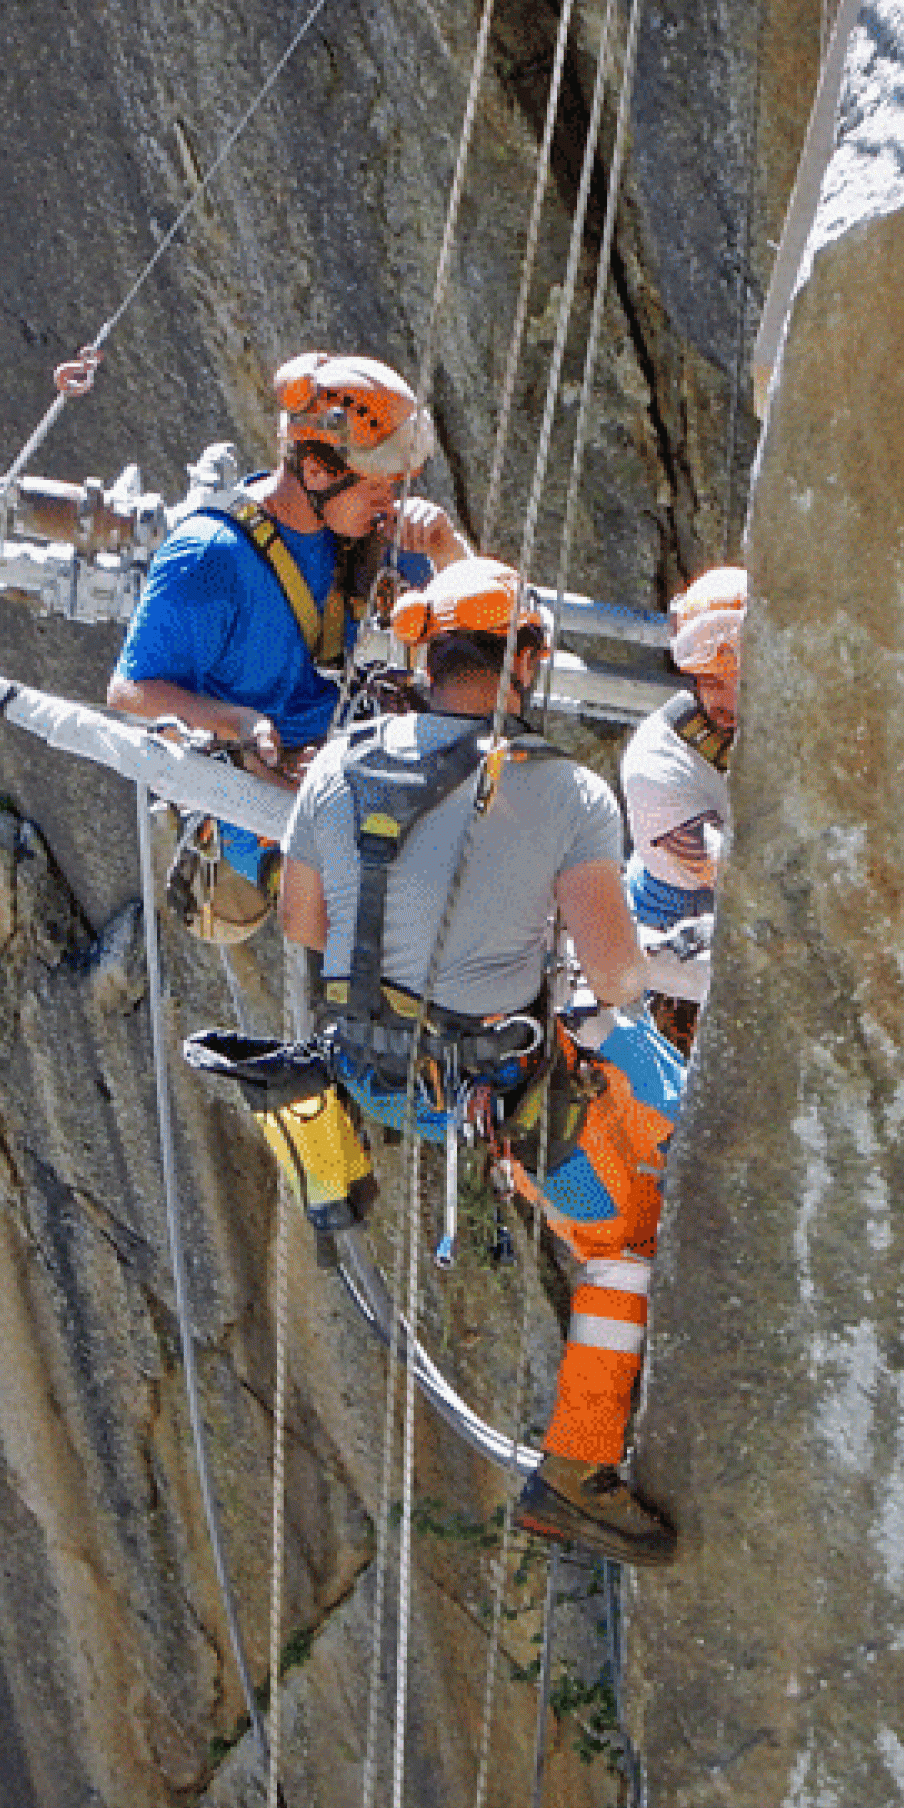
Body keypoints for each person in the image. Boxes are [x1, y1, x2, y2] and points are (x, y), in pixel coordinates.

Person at [276, 557, 685, 1566]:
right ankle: (576, 1466)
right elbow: (622, 979)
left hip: (370, 1076)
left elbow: (300, 919)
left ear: (423, 651)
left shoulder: (337, 764)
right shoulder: (565, 790)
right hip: (492, 1095)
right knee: (622, 1245)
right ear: (527, 660)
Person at [106, 351, 471, 903]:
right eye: (378, 484)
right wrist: (239, 722)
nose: (390, 501)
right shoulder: (210, 557)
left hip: (354, 766)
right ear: (318, 470)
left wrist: (446, 550)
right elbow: (130, 690)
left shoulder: (370, 533)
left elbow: (492, 626)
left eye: (399, 484)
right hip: (266, 799)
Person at [618, 567, 743, 1046]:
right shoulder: (657, 766)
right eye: (711, 682)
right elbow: (735, 876)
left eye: (740, 680)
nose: (727, 700)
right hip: (679, 916)